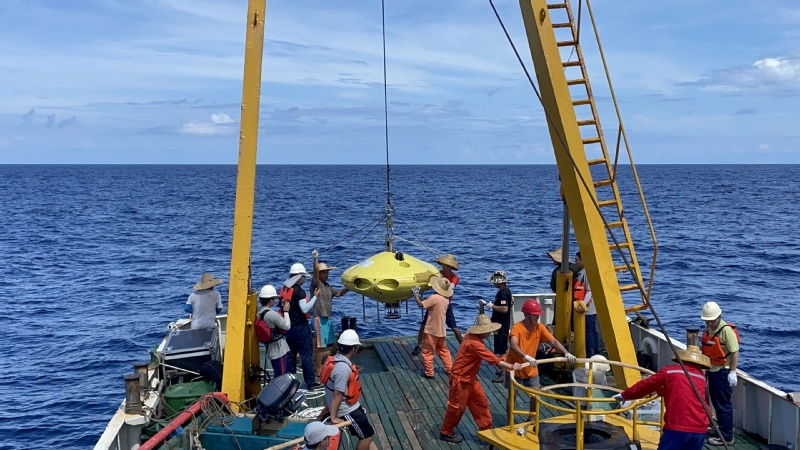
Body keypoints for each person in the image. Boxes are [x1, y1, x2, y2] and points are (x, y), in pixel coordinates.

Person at [439, 314, 522, 443]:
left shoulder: (470, 336)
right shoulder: (475, 344)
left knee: (481, 403)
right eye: (488, 330)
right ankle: (446, 432)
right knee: (457, 408)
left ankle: (486, 431)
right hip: (460, 380)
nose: (489, 332)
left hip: (471, 378)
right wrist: (511, 365)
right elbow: (493, 359)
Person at [614, 345, 712, 450]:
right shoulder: (701, 377)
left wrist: (625, 395)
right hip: (701, 428)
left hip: (678, 426)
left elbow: (646, 385)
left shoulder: (669, 371)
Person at [506, 299, 576, 418]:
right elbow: (513, 345)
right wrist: (526, 356)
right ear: (527, 315)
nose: (538, 317)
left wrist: (566, 353)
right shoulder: (517, 328)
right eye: (535, 315)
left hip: (531, 368)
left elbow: (553, 341)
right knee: (513, 395)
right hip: (515, 368)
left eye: (538, 314)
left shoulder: (540, 327)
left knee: (536, 394)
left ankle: (531, 418)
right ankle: (509, 422)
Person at [322, 329, 378, 450]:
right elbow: (337, 394)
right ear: (353, 349)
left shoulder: (335, 359)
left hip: (352, 405)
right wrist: (334, 417)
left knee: (367, 433)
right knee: (367, 437)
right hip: (347, 410)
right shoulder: (343, 368)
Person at [700, 301, 740, 446]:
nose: (709, 323)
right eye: (707, 321)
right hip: (712, 370)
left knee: (723, 404)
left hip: (723, 372)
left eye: (712, 320)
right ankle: (722, 429)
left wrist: (733, 372)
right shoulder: (708, 329)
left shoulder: (726, 331)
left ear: (719, 317)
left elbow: (735, 351)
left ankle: (727, 437)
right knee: (716, 403)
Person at [411, 254, 463, 356]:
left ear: (449, 266)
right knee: (423, 325)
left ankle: (463, 347)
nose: (442, 265)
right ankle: (419, 346)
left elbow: (450, 289)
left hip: (445, 304)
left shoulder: (454, 278)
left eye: (444, 264)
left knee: (454, 327)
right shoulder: (439, 273)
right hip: (434, 302)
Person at [284, 262, 320, 390]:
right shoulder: (299, 291)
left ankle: (289, 384)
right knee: (306, 356)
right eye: (303, 277)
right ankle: (310, 383)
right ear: (299, 277)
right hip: (300, 328)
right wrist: (315, 297)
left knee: (290, 357)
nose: (304, 279)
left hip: (288, 329)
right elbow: (305, 309)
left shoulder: (286, 289)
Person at [310, 249, 348, 373]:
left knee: (332, 344)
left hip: (327, 319)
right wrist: (315, 259)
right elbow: (315, 274)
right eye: (323, 273)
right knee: (320, 346)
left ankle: (327, 363)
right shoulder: (316, 284)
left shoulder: (328, 286)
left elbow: (338, 294)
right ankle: (318, 369)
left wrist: (350, 287)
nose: (326, 275)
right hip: (319, 318)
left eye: (327, 272)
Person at [411, 276, 454, 379]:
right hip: (441, 331)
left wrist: (416, 295)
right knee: (444, 351)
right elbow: (431, 303)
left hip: (431, 330)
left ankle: (429, 372)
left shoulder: (434, 298)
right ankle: (450, 369)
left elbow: (421, 305)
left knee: (428, 352)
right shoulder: (446, 299)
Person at [478, 270, 511, 383]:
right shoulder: (502, 292)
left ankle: (504, 373)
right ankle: (503, 369)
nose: (493, 284)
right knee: (501, 348)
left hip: (501, 326)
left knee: (502, 350)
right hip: (499, 325)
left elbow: (504, 309)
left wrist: (491, 306)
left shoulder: (503, 293)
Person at [257, 284, 292, 377]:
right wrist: (286, 311)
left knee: (278, 373)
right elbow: (287, 326)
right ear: (271, 300)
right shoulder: (272, 314)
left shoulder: (259, 313)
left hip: (271, 348)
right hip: (279, 350)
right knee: (281, 376)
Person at [574, 251, 599, 357]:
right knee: (592, 331)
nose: (576, 263)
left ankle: (591, 354)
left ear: (583, 261)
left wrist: (582, 305)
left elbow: (589, 291)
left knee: (588, 332)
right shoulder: (582, 273)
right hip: (589, 308)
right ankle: (595, 351)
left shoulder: (586, 274)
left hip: (588, 309)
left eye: (577, 260)